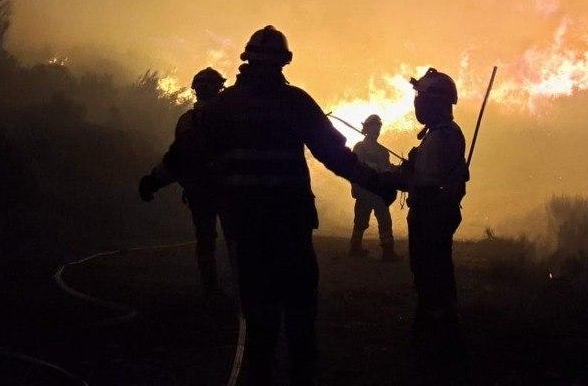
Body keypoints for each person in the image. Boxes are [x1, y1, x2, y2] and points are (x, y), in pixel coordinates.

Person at [142, 25, 395, 385]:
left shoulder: (223, 107)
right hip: (291, 225)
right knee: (299, 317)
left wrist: (154, 179)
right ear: (285, 62)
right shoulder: (295, 103)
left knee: (258, 319)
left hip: (245, 227)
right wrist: (377, 182)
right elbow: (334, 155)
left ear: (245, 60)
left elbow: (184, 154)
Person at [380, 68, 469, 337]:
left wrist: (400, 174)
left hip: (433, 213)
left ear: (435, 101)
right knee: (433, 269)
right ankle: (439, 321)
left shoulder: (442, 136)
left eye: (421, 96)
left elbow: (422, 180)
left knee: (431, 271)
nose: (417, 101)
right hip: (435, 211)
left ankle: (436, 330)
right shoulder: (440, 133)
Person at [138, 67, 228, 299]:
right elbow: (177, 158)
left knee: (207, 241)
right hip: (227, 192)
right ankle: (236, 289)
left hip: (207, 191)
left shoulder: (190, 121)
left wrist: (153, 181)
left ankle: (213, 289)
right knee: (230, 240)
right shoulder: (232, 118)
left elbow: (176, 159)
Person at [349, 114, 399, 260]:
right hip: (363, 189)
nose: (376, 130)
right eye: (374, 127)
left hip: (377, 190)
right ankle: (355, 248)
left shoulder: (383, 152)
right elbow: (356, 167)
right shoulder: (359, 148)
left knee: (383, 217)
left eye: (378, 127)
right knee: (361, 220)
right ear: (367, 129)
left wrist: (396, 169)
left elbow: (385, 169)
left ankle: (387, 250)